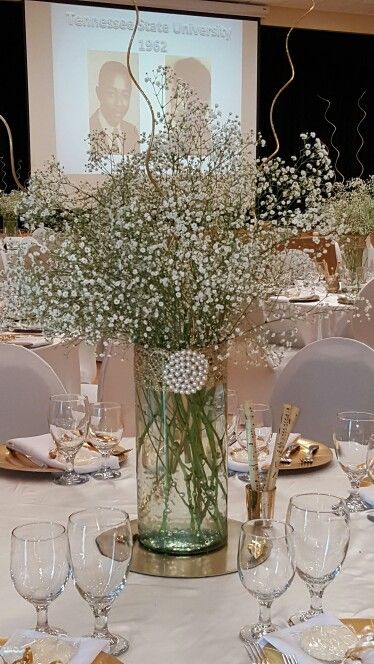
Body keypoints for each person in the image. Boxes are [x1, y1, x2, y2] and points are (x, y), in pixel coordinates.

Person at [89, 60, 139, 154]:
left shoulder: (133, 132)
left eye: (125, 95)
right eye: (111, 93)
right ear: (99, 93)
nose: (119, 103)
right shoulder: (88, 129)